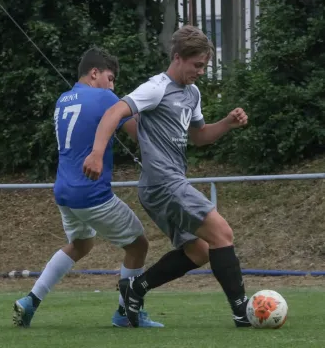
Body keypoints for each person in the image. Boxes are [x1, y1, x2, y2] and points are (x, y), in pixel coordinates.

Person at [82, 25, 251, 328]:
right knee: (222, 233)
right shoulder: (156, 87)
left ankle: (136, 289)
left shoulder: (192, 93)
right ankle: (243, 312)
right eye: (196, 65)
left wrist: (227, 123)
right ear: (177, 58)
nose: (200, 71)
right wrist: (96, 153)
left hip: (163, 185)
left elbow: (199, 136)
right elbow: (114, 113)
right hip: (163, 183)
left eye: (204, 66)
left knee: (199, 252)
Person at [13, 47, 163, 328]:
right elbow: (139, 133)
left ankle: (30, 301)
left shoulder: (62, 100)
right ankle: (125, 313)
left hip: (63, 192)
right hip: (91, 192)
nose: (113, 86)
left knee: (81, 244)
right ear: (95, 73)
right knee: (138, 244)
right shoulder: (106, 97)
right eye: (110, 77)